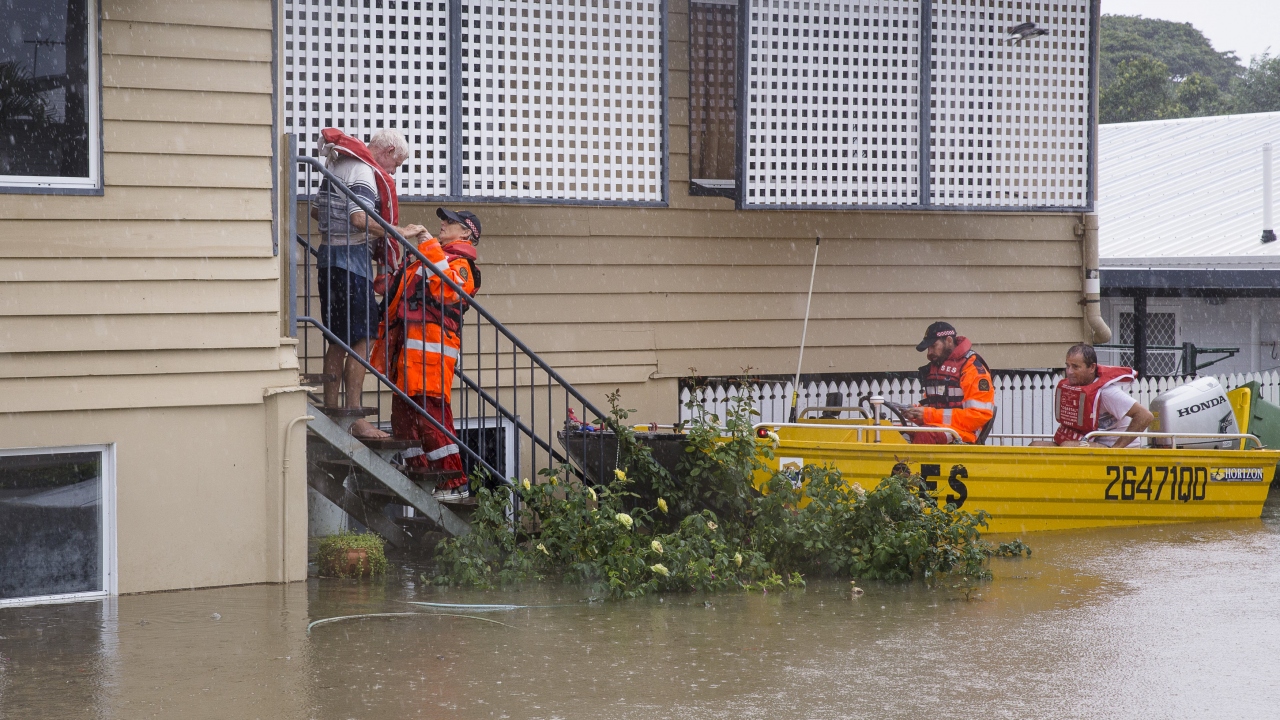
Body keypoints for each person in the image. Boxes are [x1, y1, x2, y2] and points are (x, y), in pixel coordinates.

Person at [311, 128, 427, 439]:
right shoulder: (363, 169)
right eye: (397, 165)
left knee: (338, 338)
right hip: (350, 262)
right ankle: (353, 415)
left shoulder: (338, 163)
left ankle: (332, 408)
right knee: (362, 337)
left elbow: (315, 209)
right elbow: (359, 218)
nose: (393, 173)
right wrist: (398, 231)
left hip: (328, 258)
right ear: (388, 152)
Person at [373, 208, 482, 502]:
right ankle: (418, 474)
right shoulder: (428, 256)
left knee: (433, 419)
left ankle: (455, 483)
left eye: (450, 222)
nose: (442, 225)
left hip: (431, 356)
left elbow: (451, 291)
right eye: (443, 221)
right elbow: (394, 293)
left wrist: (426, 243)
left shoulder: (461, 264)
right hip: (407, 355)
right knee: (404, 420)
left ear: (467, 234)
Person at [1042, 344, 1153, 448]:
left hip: (1110, 447)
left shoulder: (1107, 392)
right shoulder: (1075, 388)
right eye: (1068, 366)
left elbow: (1145, 416)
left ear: (1091, 368)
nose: (1069, 372)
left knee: (1067, 446)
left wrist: (1116, 449)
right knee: (1036, 445)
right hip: (1092, 443)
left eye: (1075, 367)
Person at [902, 322, 995, 444]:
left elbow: (978, 416)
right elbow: (935, 407)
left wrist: (927, 415)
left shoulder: (972, 369)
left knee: (925, 436)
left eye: (933, 346)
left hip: (966, 434)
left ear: (949, 341)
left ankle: (906, 463)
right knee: (895, 432)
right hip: (941, 429)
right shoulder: (938, 368)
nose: (929, 353)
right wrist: (916, 412)